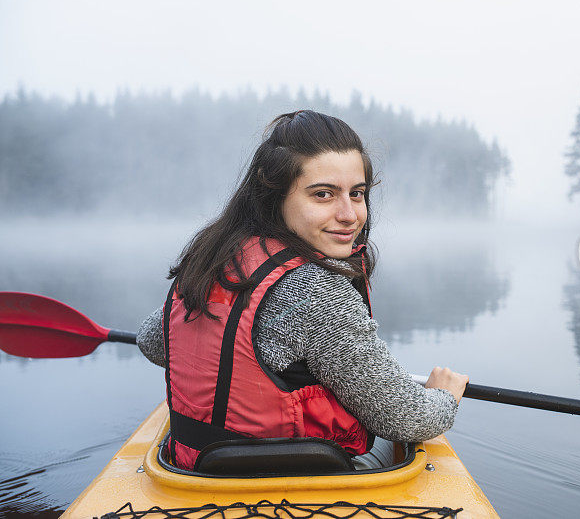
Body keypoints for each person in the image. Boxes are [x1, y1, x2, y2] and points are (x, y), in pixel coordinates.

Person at [136, 110, 468, 471]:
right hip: (292, 476)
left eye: (357, 194)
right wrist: (442, 395)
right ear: (273, 196)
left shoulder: (213, 259)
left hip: (192, 469)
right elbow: (407, 419)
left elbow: (152, 343)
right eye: (323, 194)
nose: (350, 215)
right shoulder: (318, 289)